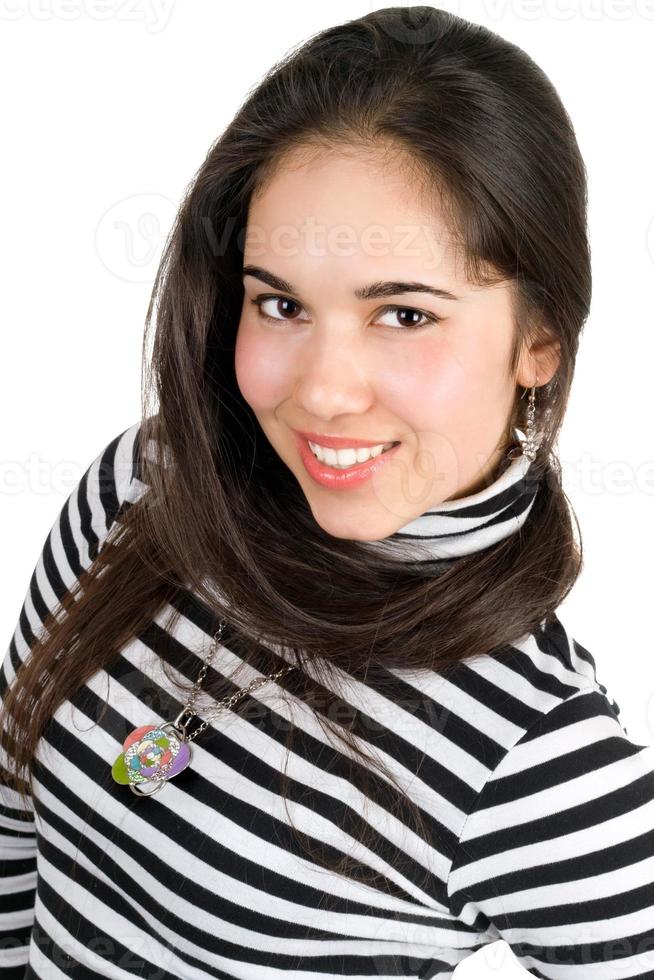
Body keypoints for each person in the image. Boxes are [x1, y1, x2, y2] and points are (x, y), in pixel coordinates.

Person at [2, 6, 653, 978]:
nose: (322, 389)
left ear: (540, 338)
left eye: (402, 312)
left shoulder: (538, 755)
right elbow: (14, 795)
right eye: (281, 303)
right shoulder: (144, 484)